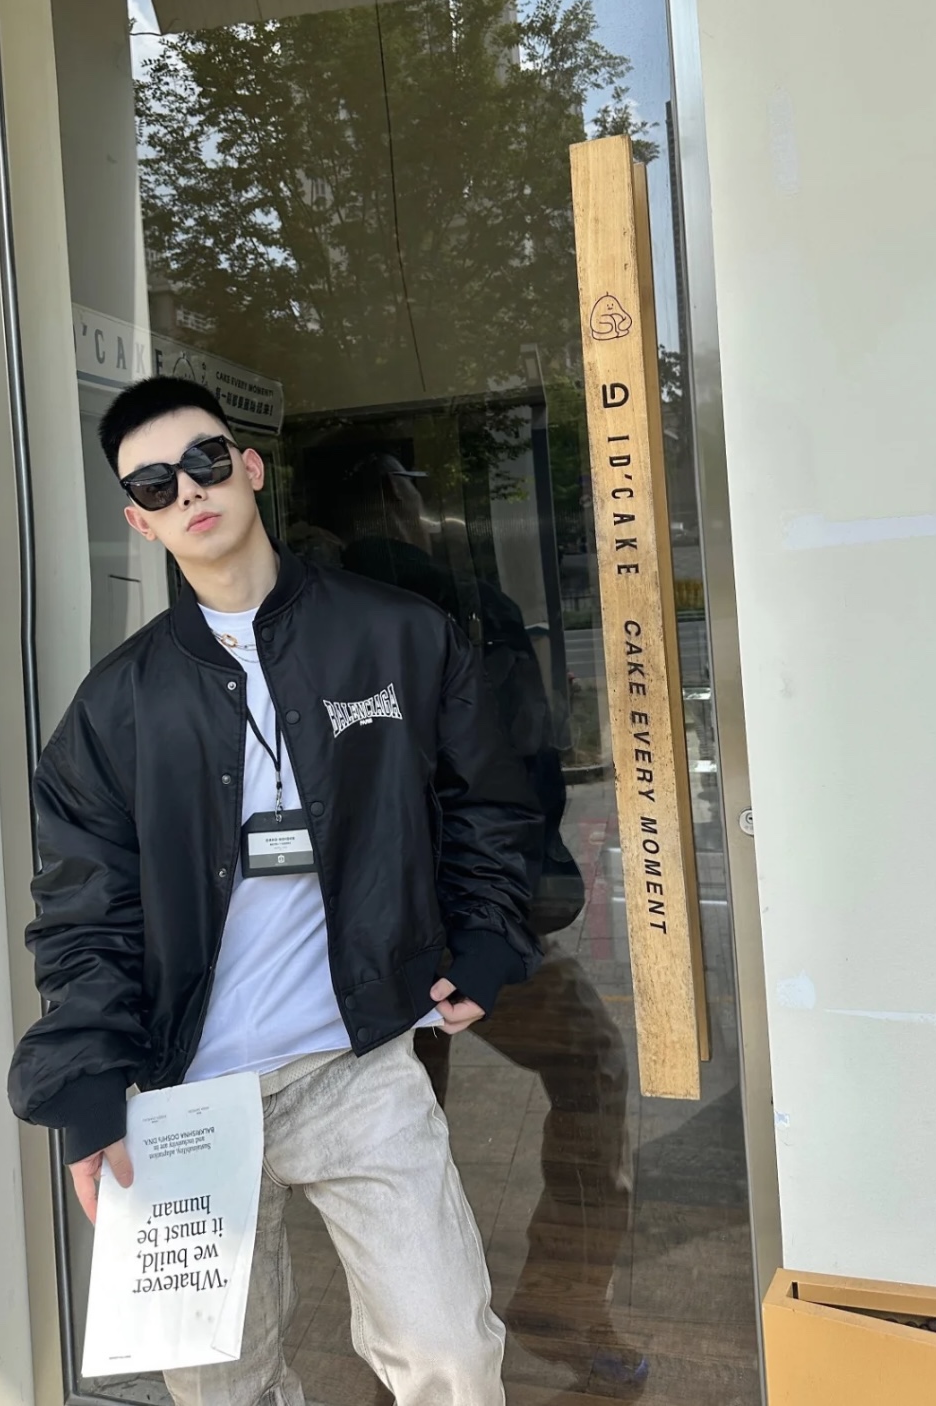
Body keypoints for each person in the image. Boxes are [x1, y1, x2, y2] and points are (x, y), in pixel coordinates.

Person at [7, 377, 545, 1406]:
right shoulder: (115, 705)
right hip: (181, 1093)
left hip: (355, 1064)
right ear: (138, 519)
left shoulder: (395, 634)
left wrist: (486, 940)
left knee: (448, 1353)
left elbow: (485, 798)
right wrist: (87, 1089)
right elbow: (83, 910)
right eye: (155, 485)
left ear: (248, 467)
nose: (188, 490)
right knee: (219, 1387)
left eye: (205, 460)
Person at [330, 449, 646, 1397]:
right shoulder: (431, 601)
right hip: (438, 920)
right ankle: (531, 1309)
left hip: (403, 922)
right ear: (392, 498)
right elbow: (505, 765)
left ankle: (470, 1332)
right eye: (413, 487)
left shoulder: (328, 605)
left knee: (408, 1131)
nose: (427, 507)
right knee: (570, 1070)